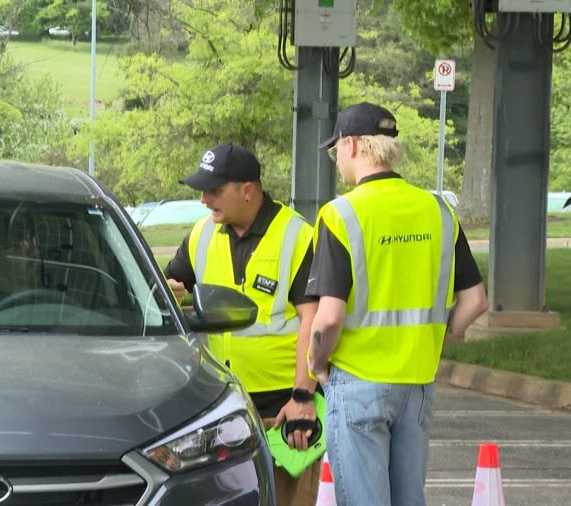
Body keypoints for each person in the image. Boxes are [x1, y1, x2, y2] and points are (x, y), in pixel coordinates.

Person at [304, 102, 490, 506]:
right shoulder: (439, 211)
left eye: (336, 151)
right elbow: (476, 301)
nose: (337, 162)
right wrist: (442, 336)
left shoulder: (340, 215)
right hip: (418, 380)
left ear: (352, 144)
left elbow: (329, 317)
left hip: (357, 380)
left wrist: (316, 364)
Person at [164, 143, 322, 506]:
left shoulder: (296, 236)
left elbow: (313, 321)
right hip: (221, 408)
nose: (204, 199)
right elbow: (170, 289)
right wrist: (169, 292)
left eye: (215, 190)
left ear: (247, 190)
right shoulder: (201, 235)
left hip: (281, 410)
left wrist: (302, 396)